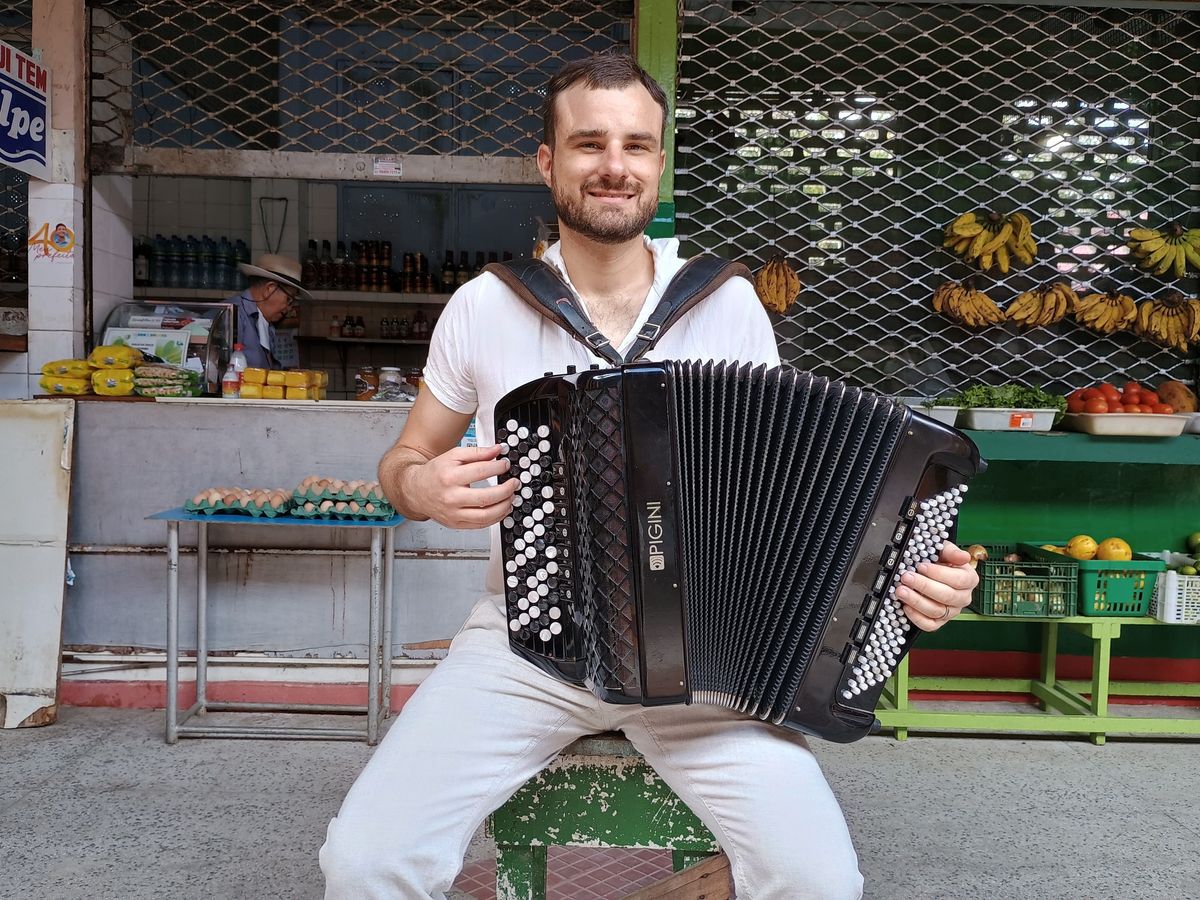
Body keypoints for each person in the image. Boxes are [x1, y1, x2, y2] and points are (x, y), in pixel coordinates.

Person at [320, 52, 979, 899]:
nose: (614, 165)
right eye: (589, 143)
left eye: (637, 144)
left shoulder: (727, 305)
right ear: (548, 163)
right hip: (529, 651)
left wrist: (909, 576)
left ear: (659, 164)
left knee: (818, 879)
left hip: (706, 666)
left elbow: (794, 494)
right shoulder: (484, 306)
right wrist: (419, 488)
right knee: (366, 861)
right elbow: (404, 461)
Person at [230, 253, 310, 369]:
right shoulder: (233, 314)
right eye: (288, 299)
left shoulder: (267, 324)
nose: (289, 308)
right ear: (269, 289)